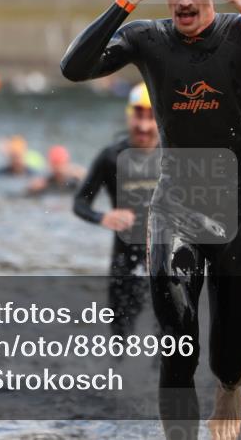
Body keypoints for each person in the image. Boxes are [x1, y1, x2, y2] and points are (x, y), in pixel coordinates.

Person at [60, 0, 241, 440]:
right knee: (178, 348)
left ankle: (229, 387)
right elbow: (74, 68)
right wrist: (125, 0)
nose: (183, 0)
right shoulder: (146, 37)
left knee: (227, 360)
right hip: (175, 208)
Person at [73, 82, 160, 338]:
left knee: (168, 339)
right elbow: (80, 203)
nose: (143, 126)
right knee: (121, 337)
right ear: (129, 115)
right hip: (124, 260)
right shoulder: (111, 157)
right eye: (138, 115)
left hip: (166, 261)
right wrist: (103, 217)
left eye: (151, 117)